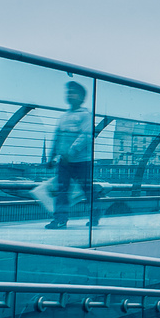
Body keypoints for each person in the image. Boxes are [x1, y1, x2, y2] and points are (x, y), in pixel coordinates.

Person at [45, 81, 95, 229]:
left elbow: (86, 136)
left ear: (82, 97)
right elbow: (57, 137)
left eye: (73, 92)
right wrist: (51, 157)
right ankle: (60, 219)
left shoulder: (86, 115)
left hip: (82, 161)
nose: (69, 95)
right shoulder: (63, 117)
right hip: (64, 162)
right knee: (62, 190)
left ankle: (95, 214)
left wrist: (71, 152)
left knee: (86, 189)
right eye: (68, 92)